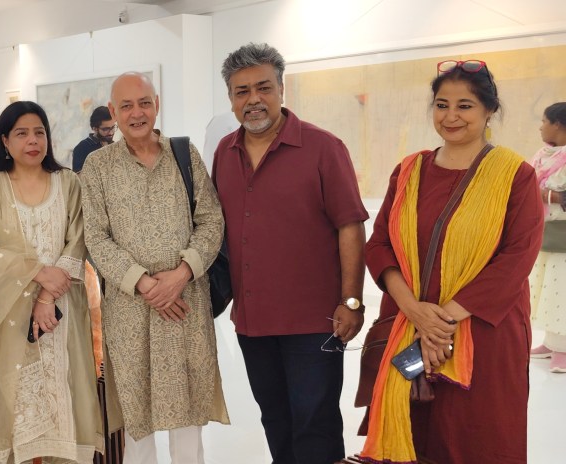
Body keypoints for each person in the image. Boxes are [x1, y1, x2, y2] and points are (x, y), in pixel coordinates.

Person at [360, 60, 542, 464]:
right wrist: (416, 312)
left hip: (484, 333)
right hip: (409, 324)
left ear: (489, 110)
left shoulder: (515, 175)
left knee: (476, 439)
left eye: (465, 106)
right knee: (414, 433)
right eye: (442, 105)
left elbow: (516, 260)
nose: (451, 116)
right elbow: (378, 246)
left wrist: (439, 321)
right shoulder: (408, 171)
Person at [211, 43, 367, 464]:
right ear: (230, 99)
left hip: (315, 321)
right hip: (253, 321)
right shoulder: (224, 153)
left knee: (314, 422)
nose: (253, 99)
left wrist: (352, 300)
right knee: (275, 419)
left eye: (263, 87)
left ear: (281, 89)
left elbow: (350, 226)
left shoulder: (322, 147)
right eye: (241, 91)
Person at [81, 72, 227, 464]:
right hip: (130, 311)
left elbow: (211, 221)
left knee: (188, 419)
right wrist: (145, 285)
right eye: (126, 106)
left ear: (157, 104)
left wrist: (180, 276)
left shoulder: (185, 154)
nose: (136, 113)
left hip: (185, 306)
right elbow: (94, 238)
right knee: (136, 421)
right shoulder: (96, 167)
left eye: (144, 102)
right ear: (113, 112)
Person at [0, 101, 103, 463]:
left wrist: (46, 295)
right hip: (8, 317)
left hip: (62, 312)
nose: (32, 141)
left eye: (39, 132)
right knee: (12, 409)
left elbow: (79, 239)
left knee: (63, 407)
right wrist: (39, 275)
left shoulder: (68, 182)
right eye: (21, 133)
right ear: (5, 141)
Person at [529, 102, 566, 372]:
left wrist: (546, 195)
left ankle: (564, 350)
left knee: (562, 292)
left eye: (545, 120)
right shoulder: (543, 155)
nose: (541, 126)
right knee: (546, 289)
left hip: (563, 239)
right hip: (545, 235)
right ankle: (553, 343)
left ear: (559, 125)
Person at [72, 106, 115, 172]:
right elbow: (79, 179)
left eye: (113, 127)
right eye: (106, 129)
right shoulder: (81, 148)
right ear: (94, 129)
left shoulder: (115, 146)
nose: (111, 132)